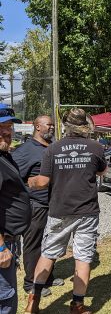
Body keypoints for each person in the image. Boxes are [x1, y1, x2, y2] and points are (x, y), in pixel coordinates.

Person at [24, 108, 107, 314]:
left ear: (66, 125)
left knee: (48, 253)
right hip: (86, 211)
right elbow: (100, 172)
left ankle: (33, 299)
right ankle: (77, 307)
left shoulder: (52, 149)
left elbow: (42, 182)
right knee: (83, 257)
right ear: (84, 125)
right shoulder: (96, 147)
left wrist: (29, 182)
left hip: (59, 209)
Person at [12, 115, 64, 297]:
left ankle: (47, 276)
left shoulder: (51, 148)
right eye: (48, 125)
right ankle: (31, 283)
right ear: (37, 127)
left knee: (50, 241)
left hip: (53, 204)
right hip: (36, 206)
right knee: (33, 244)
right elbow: (13, 177)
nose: (52, 127)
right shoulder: (25, 151)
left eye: (52, 125)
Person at [0, 105, 31, 314]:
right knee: (5, 305)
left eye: (9, 127)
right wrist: (0, 246)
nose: (7, 133)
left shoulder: (4, 155)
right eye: (1, 129)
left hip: (10, 241)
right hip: (2, 244)